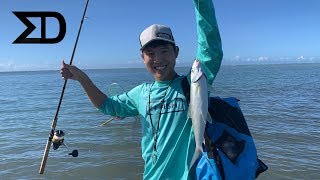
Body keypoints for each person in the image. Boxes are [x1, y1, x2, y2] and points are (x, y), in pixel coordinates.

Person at [60, 0, 222, 179]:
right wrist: (82, 78)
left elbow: (211, 49)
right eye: (151, 54)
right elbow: (106, 105)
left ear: (176, 52)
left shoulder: (193, 84)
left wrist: (201, 3)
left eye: (164, 51)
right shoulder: (140, 94)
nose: (158, 59)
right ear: (142, 57)